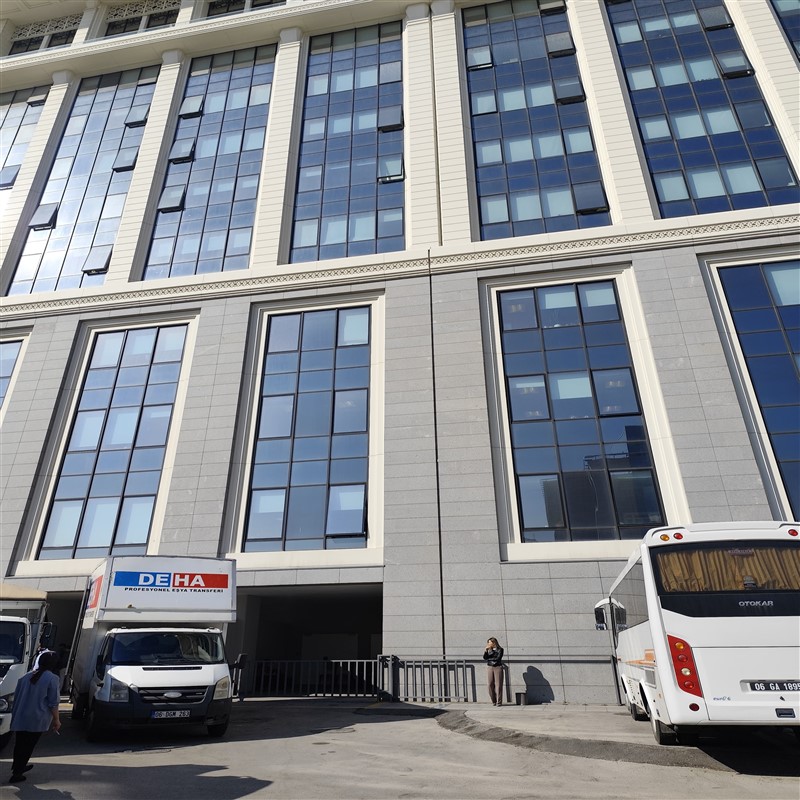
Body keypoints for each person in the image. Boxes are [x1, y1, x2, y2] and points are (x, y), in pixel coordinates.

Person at [8, 650, 61, 783]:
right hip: (37, 718)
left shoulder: (25, 677)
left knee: (20, 744)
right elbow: (53, 703)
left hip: (21, 716)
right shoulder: (52, 679)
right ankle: (17, 773)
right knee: (28, 745)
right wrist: (56, 720)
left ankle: (18, 767)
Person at [483, 637, 504, 706]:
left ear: (494, 642)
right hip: (490, 667)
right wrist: (486, 651)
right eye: (488, 642)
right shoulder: (489, 650)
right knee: (489, 684)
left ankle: (499, 702)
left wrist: (489, 658)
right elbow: (485, 658)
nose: (488, 644)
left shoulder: (500, 649)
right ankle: (493, 701)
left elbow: (498, 658)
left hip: (498, 667)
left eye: (490, 642)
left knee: (498, 685)